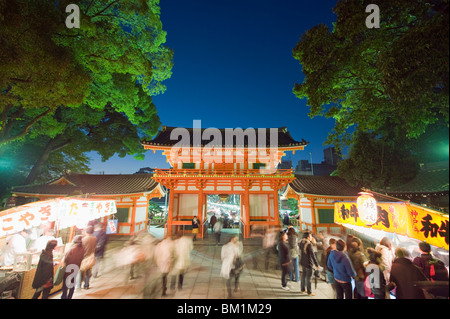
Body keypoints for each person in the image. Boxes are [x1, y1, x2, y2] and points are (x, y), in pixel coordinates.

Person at [299, 231, 320, 296]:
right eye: (311, 236)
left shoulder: (301, 242)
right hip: (309, 263)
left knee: (303, 276)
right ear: (308, 237)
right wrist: (317, 264)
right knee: (309, 278)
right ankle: (309, 292)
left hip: (303, 262)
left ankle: (302, 289)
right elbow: (313, 255)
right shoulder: (309, 244)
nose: (311, 237)